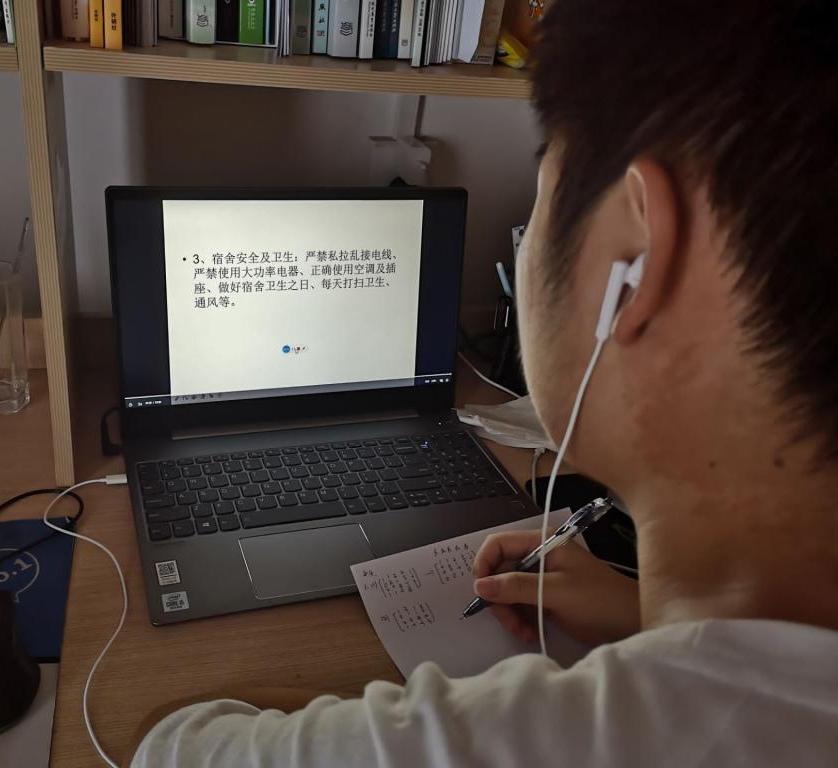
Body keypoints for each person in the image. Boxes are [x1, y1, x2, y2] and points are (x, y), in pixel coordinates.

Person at [130, 1, 838, 764]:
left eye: (541, 197)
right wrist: (644, 618)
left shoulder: (505, 742)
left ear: (638, 259)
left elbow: (167, 744)